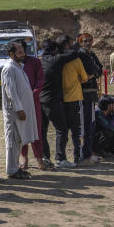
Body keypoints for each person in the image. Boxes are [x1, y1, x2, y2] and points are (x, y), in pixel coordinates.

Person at [39, 39, 80, 169]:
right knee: (62, 129)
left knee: (43, 130)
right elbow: (74, 54)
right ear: (55, 50)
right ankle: (60, 158)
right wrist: (76, 44)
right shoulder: (56, 59)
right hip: (52, 100)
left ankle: (45, 157)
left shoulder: (40, 60)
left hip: (40, 100)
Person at [2, 41, 39, 179]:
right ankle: (12, 170)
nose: (23, 54)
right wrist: (19, 109)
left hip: (21, 111)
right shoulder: (9, 68)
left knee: (18, 140)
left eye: (23, 51)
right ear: (11, 54)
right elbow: (10, 91)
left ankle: (15, 167)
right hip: (15, 112)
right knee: (12, 140)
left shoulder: (18, 67)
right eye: (19, 52)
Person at [58, 35, 90, 167]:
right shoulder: (75, 60)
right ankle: (77, 157)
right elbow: (85, 78)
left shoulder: (56, 59)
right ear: (67, 45)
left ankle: (61, 157)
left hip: (60, 99)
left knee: (62, 130)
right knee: (76, 131)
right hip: (75, 98)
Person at [18, 40, 50, 171]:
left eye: (21, 50)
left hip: (33, 101)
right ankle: (23, 158)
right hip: (19, 103)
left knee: (36, 130)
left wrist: (33, 94)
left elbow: (40, 80)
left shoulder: (35, 62)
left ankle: (39, 159)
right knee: (21, 131)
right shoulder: (13, 65)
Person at [76, 33, 104, 164]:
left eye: (90, 40)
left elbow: (99, 69)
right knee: (85, 124)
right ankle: (84, 154)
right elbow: (93, 69)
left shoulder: (91, 54)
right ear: (80, 42)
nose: (88, 43)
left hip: (91, 91)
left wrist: (91, 75)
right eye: (85, 41)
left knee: (91, 122)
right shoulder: (81, 55)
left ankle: (88, 152)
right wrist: (92, 73)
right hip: (83, 93)